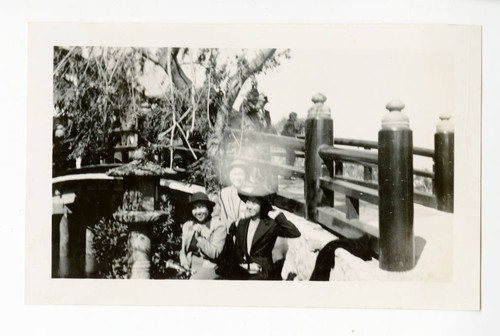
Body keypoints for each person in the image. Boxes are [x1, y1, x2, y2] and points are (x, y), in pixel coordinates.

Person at [228, 183, 301, 280]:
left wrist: (279, 216)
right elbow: (237, 251)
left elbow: (295, 233)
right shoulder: (242, 223)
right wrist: (246, 266)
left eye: (254, 203)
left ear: (262, 204)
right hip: (244, 270)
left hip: (263, 273)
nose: (249, 206)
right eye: (248, 202)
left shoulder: (270, 225)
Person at [179, 192, 226, 279]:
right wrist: (184, 264)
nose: (198, 212)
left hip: (210, 267)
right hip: (189, 265)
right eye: (194, 208)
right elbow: (183, 250)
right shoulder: (188, 225)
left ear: (208, 208)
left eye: (201, 207)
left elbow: (215, 253)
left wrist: (199, 238)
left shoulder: (219, 226)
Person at [218, 159, 248, 230]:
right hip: (226, 233)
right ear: (229, 175)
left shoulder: (250, 192)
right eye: (234, 174)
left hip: (244, 232)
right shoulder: (223, 192)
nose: (237, 178)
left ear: (246, 175)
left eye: (240, 174)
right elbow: (221, 215)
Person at [281, 112, 300, 178]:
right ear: (292, 116)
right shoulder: (290, 124)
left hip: (287, 143)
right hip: (289, 144)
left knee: (289, 159)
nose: (296, 118)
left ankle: (287, 175)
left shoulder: (288, 123)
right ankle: (288, 175)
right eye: (295, 116)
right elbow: (291, 133)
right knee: (290, 159)